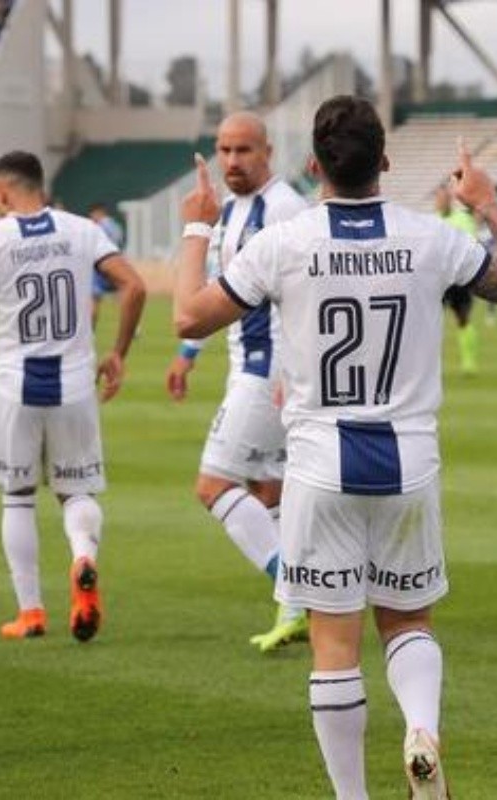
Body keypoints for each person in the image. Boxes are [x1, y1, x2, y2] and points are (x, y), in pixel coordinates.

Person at [174, 95, 497, 798]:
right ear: (385, 161)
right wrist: (489, 204)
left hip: (319, 470)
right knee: (407, 621)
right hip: (408, 465)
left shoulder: (284, 242)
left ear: (314, 164)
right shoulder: (429, 237)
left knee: (334, 648)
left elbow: (188, 315)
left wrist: (198, 229)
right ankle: (420, 729)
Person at [0, 151, 145, 643]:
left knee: (18, 497)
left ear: (1, 194)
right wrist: (119, 353)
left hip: (15, 383)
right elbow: (134, 286)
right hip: (75, 382)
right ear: (40, 186)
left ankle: (31, 613)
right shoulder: (81, 229)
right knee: (77, 491)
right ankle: (83, 556)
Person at [165, 111, 309, 652]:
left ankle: (299, 594)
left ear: (268, 152)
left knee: (213, 484)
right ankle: (296, 606)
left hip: (268, 371)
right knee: (265, 489)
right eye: (223, 150)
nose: (231, 161)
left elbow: (302, 295)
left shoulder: (286, 210)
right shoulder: (230, 210)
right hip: (243, 363)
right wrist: (188, 351)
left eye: (243, 150)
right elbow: (216, 290)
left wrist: (293, 372)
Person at [435, 183, 480, 374]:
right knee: (431, 323)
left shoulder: (462, 219)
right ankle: (431, 365)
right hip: (437, 280)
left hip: (458, 279)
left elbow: (470, 244)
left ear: (449, 200)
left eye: (444, 198)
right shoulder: (431, 221)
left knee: (463, 319)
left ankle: (469, 362)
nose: (441, 201)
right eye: (438, 198)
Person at [88, 203, 125, 329]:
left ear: (98, 212)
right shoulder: (116, 226)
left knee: (94, 298)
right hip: (116, 263)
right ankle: (132, 326)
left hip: (100, 265)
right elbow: (119, 243)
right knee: (121, 296)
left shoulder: (99, 226)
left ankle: (90, 330)